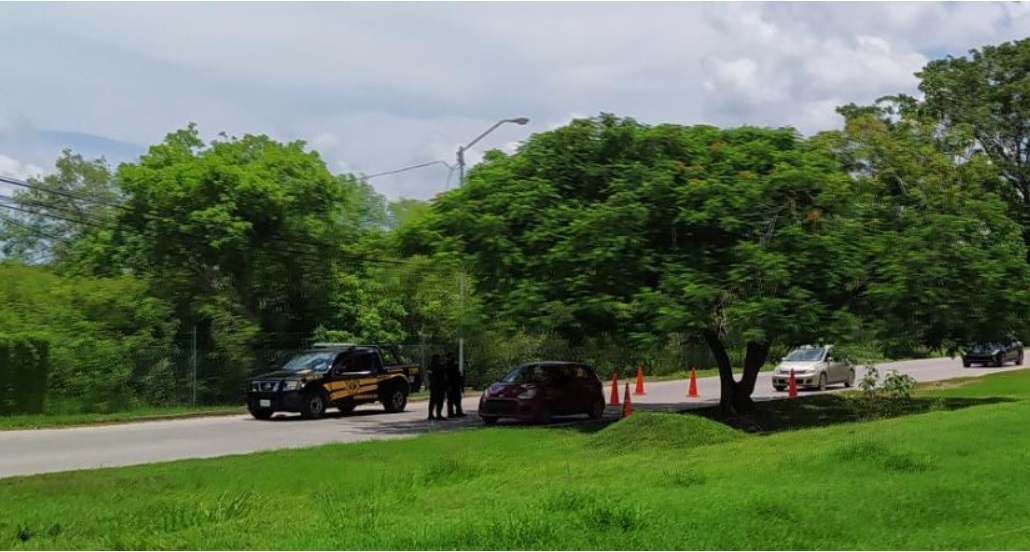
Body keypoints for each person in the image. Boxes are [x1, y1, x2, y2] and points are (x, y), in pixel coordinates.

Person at [445, 352, 466, 418]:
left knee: (458, 399)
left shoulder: (455, 364)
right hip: (451, 384)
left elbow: (458, 375)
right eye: (450, 357)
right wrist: (448, 385)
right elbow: (446, 376)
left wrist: (461, 385)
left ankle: (458, 411)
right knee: (450, 399)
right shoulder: (447, 365)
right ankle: (450, 413)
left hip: (456, 384)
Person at [427, 354, 448, 421]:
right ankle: (437, 415)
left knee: (433, 401)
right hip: (438, 386)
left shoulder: (431, 367)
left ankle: (432, 414)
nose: (439, 360)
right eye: (438, 359)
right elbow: (432, 375)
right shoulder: (438, 367)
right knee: (438, 401)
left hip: (435, 386)